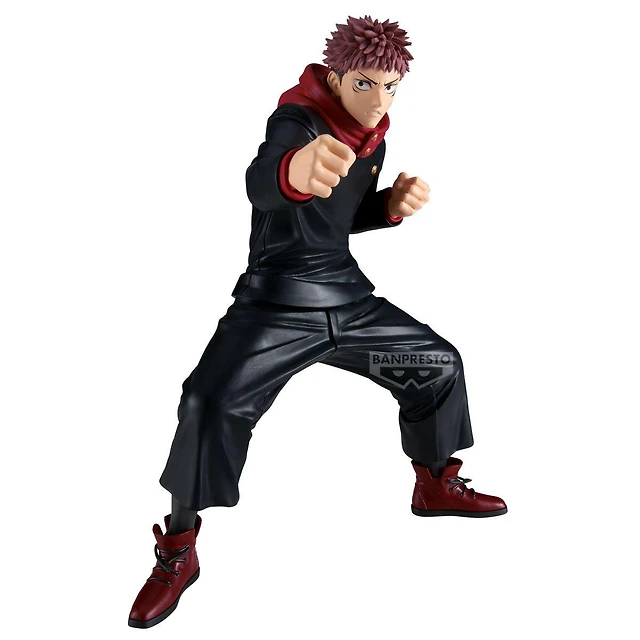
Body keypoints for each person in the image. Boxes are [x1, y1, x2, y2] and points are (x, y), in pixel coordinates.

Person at [128, 15, 507, 629]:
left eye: (391, 88)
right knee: (209, 403)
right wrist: (292, 173)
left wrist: (387, 208)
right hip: (276, 305)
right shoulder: (296, 121)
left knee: (437, 366)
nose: (379, 102)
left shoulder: (372, 138)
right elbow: (262, 182)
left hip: (347, 302)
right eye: (365, 85)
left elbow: (341, 218)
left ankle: (434, 483)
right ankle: (179, 547)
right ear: (334, 78)